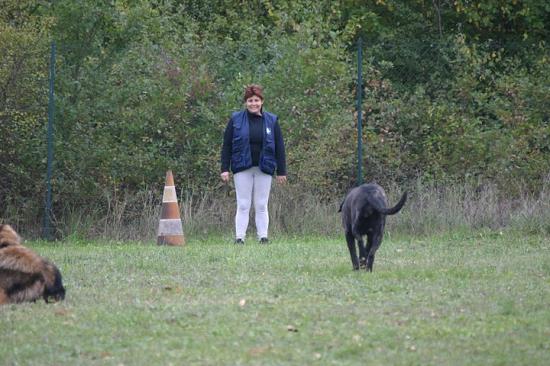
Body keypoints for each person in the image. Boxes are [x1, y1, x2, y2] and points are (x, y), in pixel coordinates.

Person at [220, 84, 287, 244]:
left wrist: (281, 171)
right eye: (250, 100)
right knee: (243, 204)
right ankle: (239, 238)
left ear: (262, 101)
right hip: (242, 168)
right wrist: (224, 168)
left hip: (264, 168)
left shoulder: (272, 120)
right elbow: (227, 145)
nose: (253, 103)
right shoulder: (235, 120)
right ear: (245, 103)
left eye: (256, 100)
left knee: (261, 204)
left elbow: (279, 146)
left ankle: (263, 237)